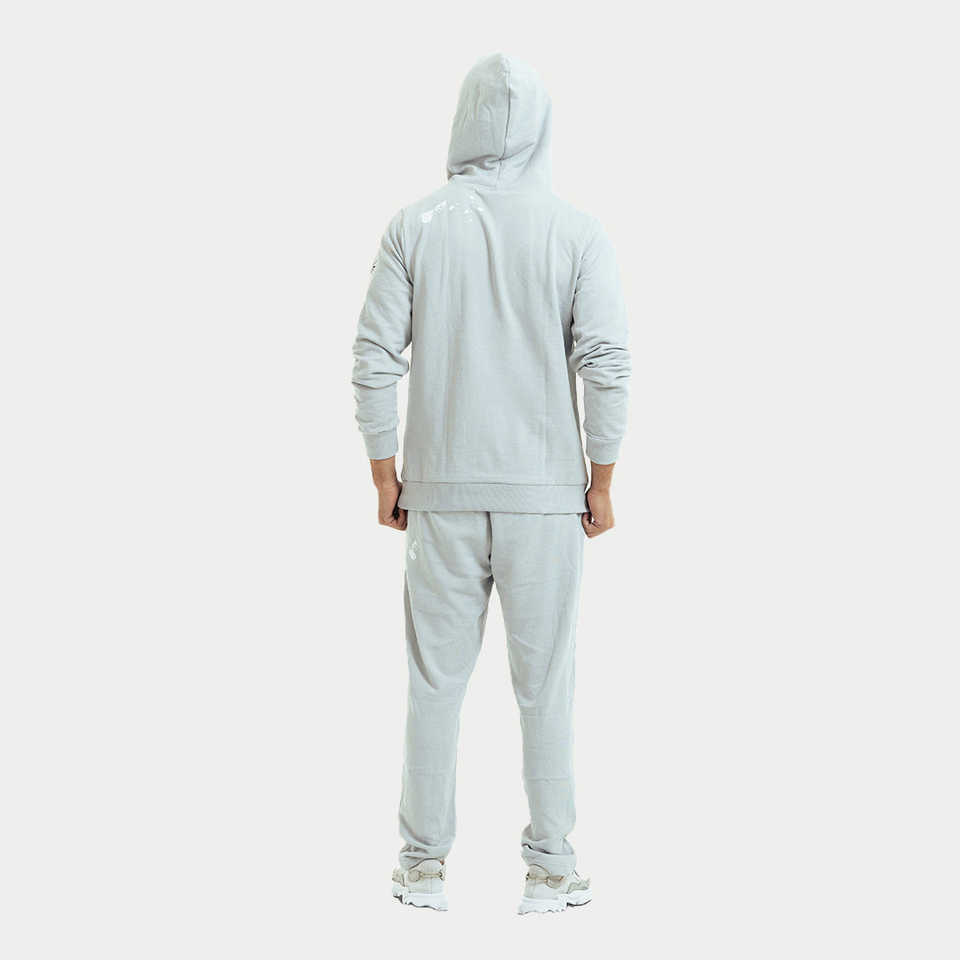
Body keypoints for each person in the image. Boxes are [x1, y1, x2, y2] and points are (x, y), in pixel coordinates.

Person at [352, 53, 630, 914]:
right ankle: (551, 869)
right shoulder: (576, 231)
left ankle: (421, 867)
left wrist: (385, 472)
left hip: (438, 496)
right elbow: (607, 363)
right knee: (546, 688)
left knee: (434, 685)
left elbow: (373, 357)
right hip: (545, 498)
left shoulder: (414, 226)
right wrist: (601, 481)